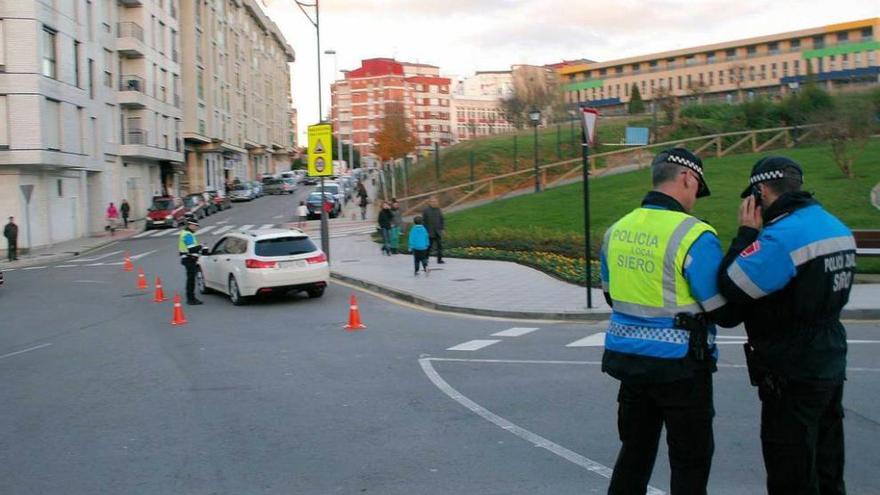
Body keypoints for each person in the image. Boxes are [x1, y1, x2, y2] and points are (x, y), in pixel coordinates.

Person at [599, 148, 740, 495]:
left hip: (630, 363)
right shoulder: (694, 234)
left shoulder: (616, 231)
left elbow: (611, 295)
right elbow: (720, 309)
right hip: (681, 368)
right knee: (690, 462)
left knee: (633, 456)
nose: (695, 198)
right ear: (686, 178)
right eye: (696, 189)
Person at [717, 156, 855, 495]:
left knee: (790, 471)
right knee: (828, 466)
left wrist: (747, 233)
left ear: (761, 192)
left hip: (791, 369)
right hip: (830, 360)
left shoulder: (781, 239)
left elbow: (731, 285)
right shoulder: (835, 226)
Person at [178, 218, 204, 306]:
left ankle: (191, 298)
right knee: (191, 280)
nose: (197, 228)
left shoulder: (185, 233)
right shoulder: (188, 235)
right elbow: (192, 248)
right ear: (191, 225)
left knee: (190, 279)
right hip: (189, 259)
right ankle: (191, 299)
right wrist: (201, 246)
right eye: (196, 226)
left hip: (187, 258)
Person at [421, 196, 445, 264]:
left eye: (436, 202)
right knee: (429, 246)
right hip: (429, 232)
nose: (435, 203)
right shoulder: (426, 210)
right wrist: (425, 231)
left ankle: (439, 259)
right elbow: (423, 221)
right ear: (429, 202)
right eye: (433, 202)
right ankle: (426, 258)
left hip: (437, 231)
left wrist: (442, 228)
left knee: (440, 246)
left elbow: (441, 219)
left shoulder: (438, 210)